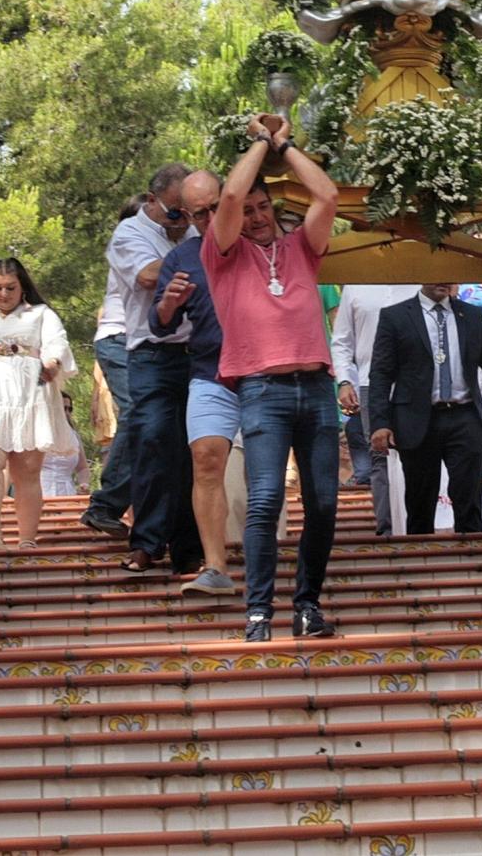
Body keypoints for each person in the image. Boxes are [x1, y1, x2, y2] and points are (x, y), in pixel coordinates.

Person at [205, 115, 342, 642]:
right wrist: (261, 143)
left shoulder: (301, 247)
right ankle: (258, 610)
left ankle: (307, 605)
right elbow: (232, 197)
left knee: (324, 502)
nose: (257, 216)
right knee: (265, 499)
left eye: (266, 208)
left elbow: (326, 196)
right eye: (250, 209)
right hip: (263, 389)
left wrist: (287, 145)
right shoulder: (223, 254)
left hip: (317, 388)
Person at [86, 165, 203, 579]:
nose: (184, 221)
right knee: (152, 442)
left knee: (195, 451)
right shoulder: (129, 234)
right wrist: (200, 256)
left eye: (190, 213)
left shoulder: (193, 230)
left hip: (198, 353)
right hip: (150, 355)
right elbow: (148, 276)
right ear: (151, 201)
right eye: (176, 212)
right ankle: (148, 543)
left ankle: (189, 548)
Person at [149, 170, 239, 598]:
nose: (208, 218)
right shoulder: (182, 258)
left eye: (215, 207)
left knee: (266, 472)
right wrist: (168, 303)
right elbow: (160, 325)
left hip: (263, 374)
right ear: (185, 215)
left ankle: (262, 555)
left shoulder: (257, 241)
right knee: (204, 458)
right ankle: (216, 566)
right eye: (197, 213)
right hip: (208, 371)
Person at [368, 282, 482, 534]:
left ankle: (475, 563)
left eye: (448, 273)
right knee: (419, 503)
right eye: (436, 273)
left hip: (465, 417)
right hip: (416, 420)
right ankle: (421, 564)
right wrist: (380, 424)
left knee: (469, 500)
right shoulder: (395, 317)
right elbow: (381, 374)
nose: (443, 279)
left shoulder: (471, 315)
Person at [0, 257, 74, 551]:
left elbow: (57, 342)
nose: (3, 293)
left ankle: (27, 539)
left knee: (27, 469)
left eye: (10, 287)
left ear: (22, 286)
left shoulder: (40, 314)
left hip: (31, 391)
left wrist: (51, 363)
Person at [330, 283, 420, 535]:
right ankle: (387, 527)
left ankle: (421, 523)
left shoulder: (419, 282)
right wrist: (345, 381)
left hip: (416, 382)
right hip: (370, 382)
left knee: (421, 451)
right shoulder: (355, 287)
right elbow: (342, 340)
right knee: (379, 454)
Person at [81, 195, 145, 542]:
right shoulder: (127, 243)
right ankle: (105, 505)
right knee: (139, 411)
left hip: (146, 344)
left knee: (159, 425)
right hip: (119, 339)